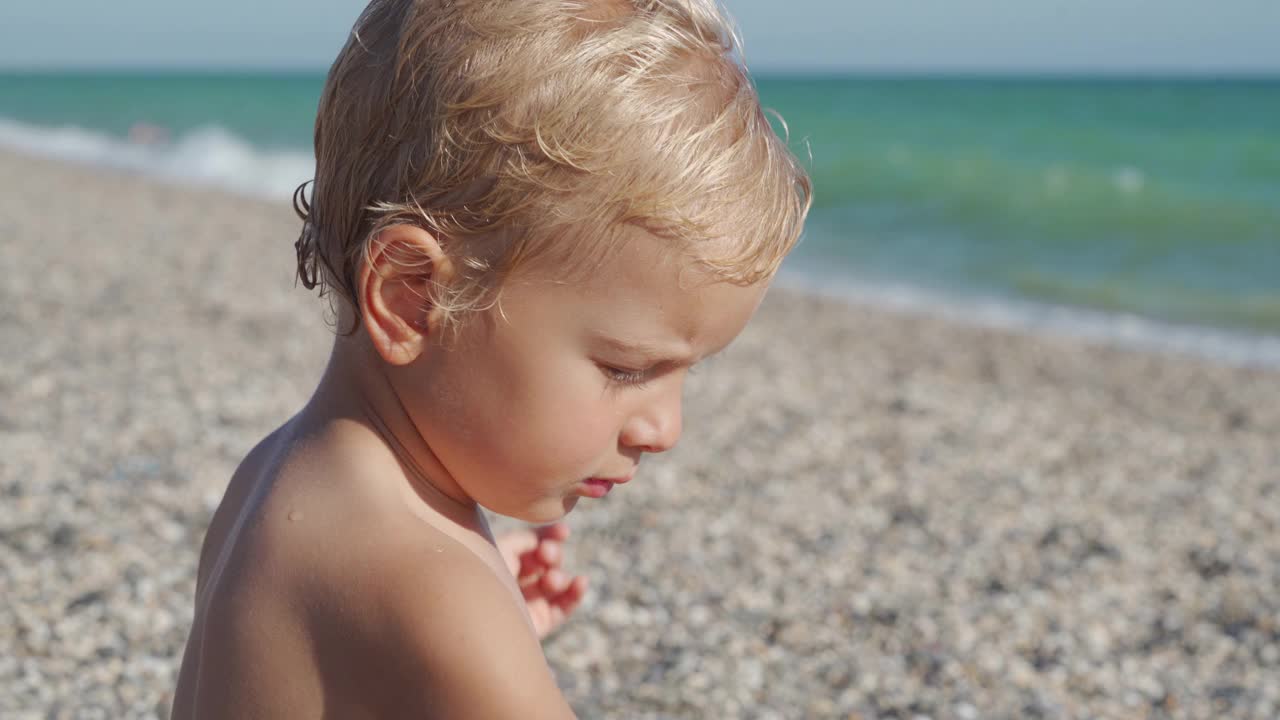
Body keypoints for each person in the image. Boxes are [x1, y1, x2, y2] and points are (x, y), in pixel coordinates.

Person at [171, 0, 809, 716]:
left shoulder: (274, 475)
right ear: (413, 298)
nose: (665, 429)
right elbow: (418, 607)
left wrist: (484, 627)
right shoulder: (433, 599)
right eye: (627, 369)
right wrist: (479, 647)